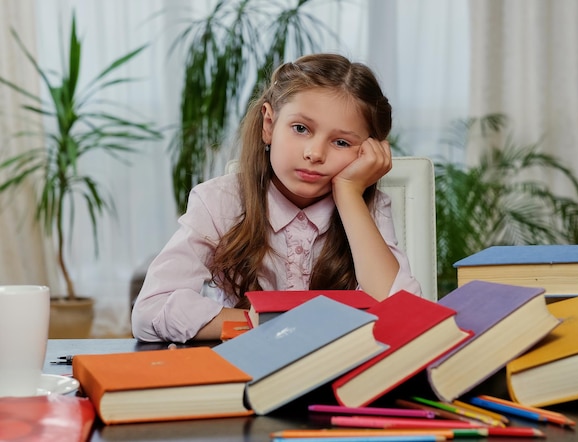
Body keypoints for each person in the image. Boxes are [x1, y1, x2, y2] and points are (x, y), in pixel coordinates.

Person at [131, 53, 421, 342]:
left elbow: (403, 317)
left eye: (341, 142)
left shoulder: (367, 208)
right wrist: (269, 324)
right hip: (246, 368)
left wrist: (348, 193)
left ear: (367, 152)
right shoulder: (220, 201)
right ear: (269, 125)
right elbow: (150, 310)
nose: (315, 153)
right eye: (301, 129)